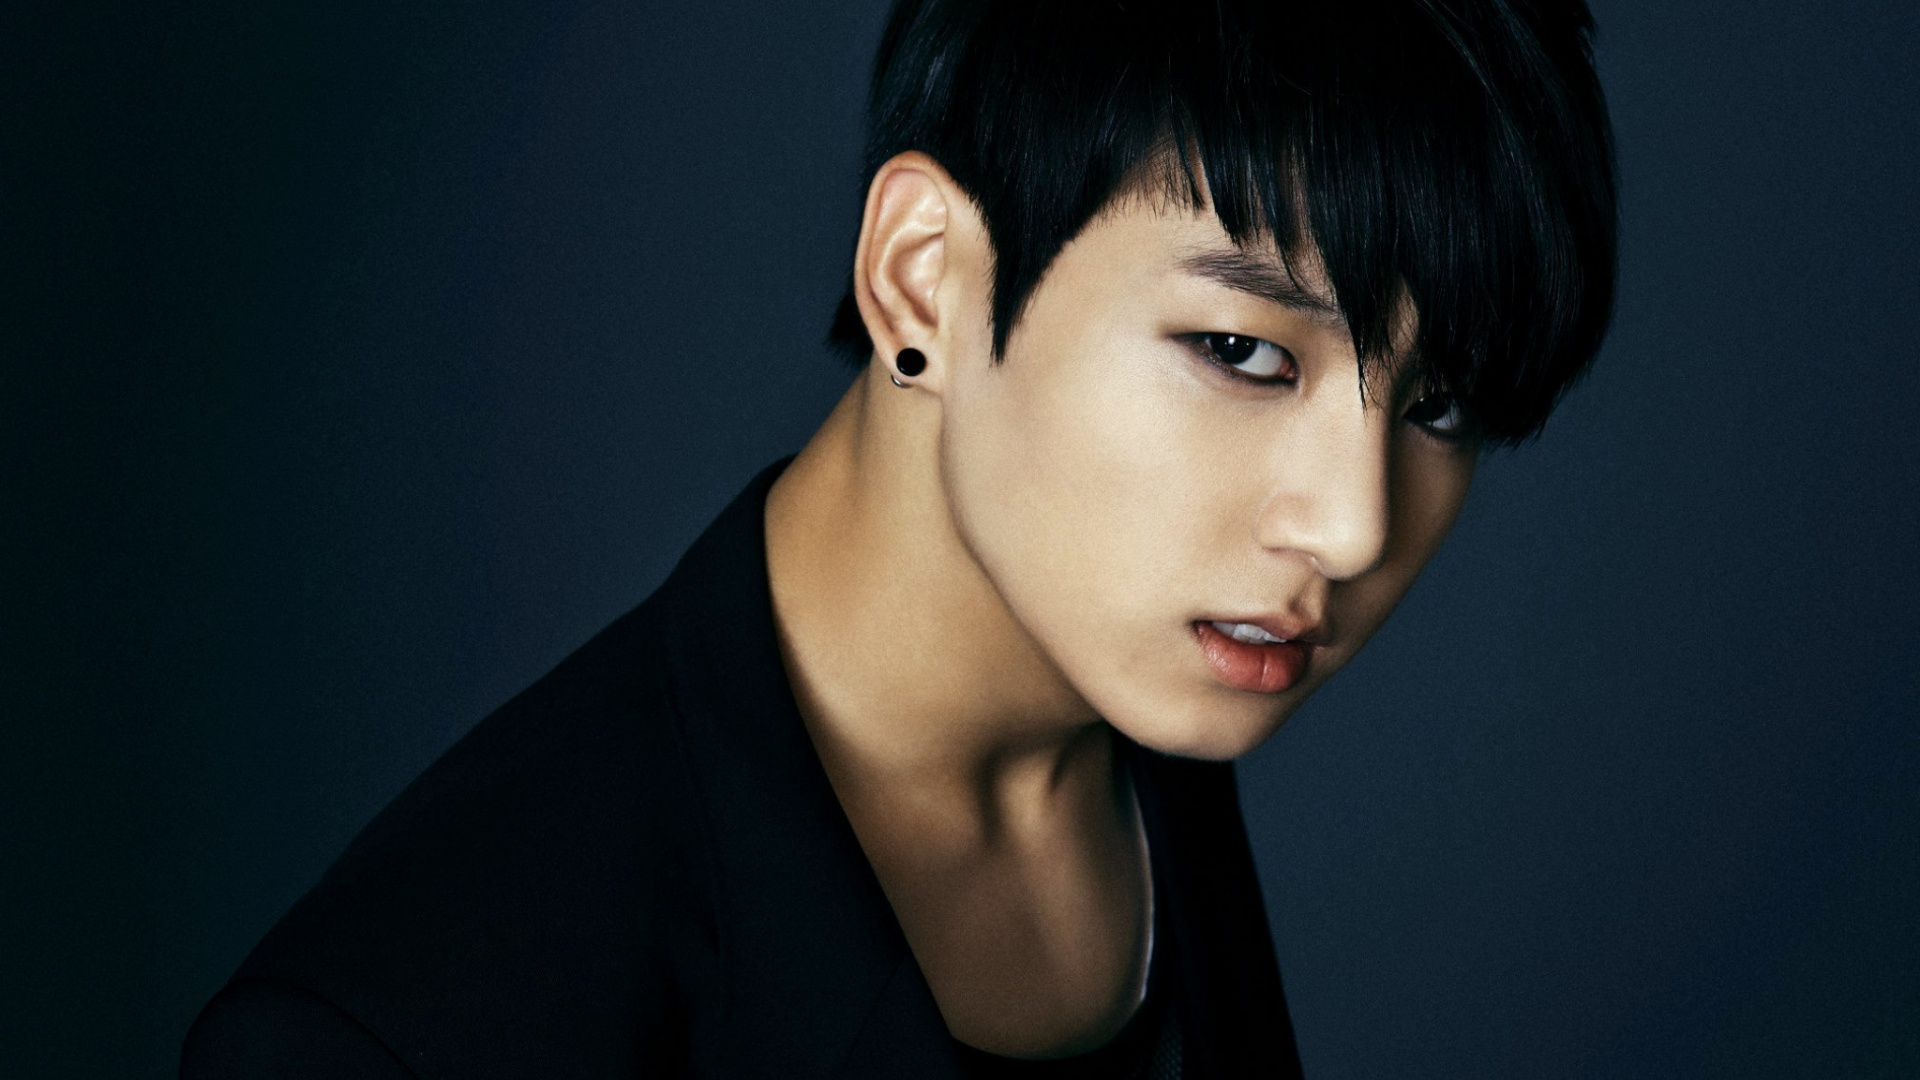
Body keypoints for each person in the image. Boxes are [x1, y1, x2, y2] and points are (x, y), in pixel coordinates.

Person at [180, 0, 1617, 1075]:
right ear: (921, 279)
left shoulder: (1138, 698)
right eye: (1243, 352)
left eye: (1438, 408)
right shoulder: (401, 1033)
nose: (1352, 527)